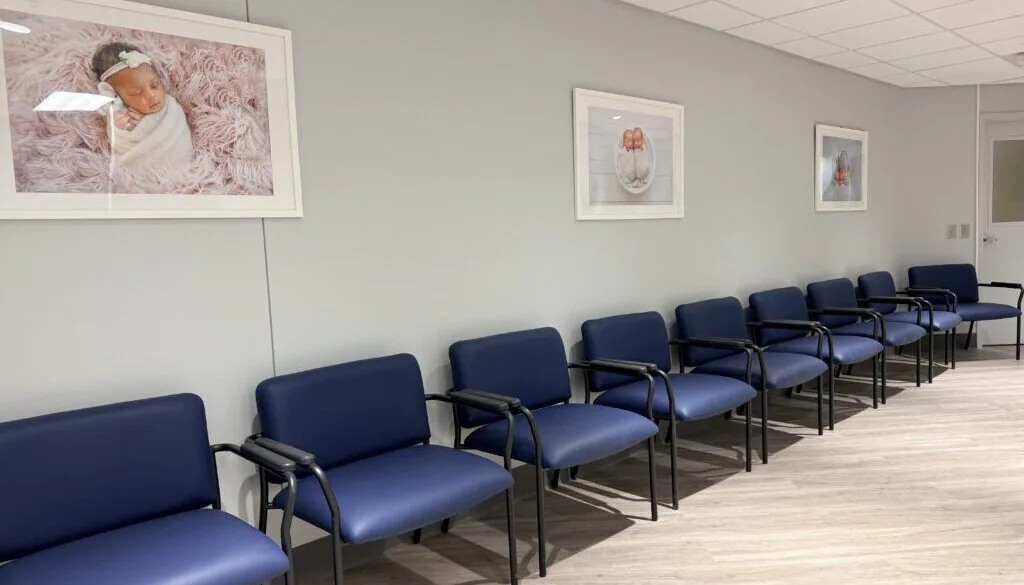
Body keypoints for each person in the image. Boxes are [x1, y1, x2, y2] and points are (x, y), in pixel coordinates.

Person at [91, 42, 193, 170]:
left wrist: (146, 123)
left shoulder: (171, 106)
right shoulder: (120, 115)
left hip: (183, 167)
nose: (151, 95)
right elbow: (120, 144)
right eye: (136, 93)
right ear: (117, 96)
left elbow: (175, 129)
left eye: (154, 85)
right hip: (147, 171)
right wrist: (119, 127)